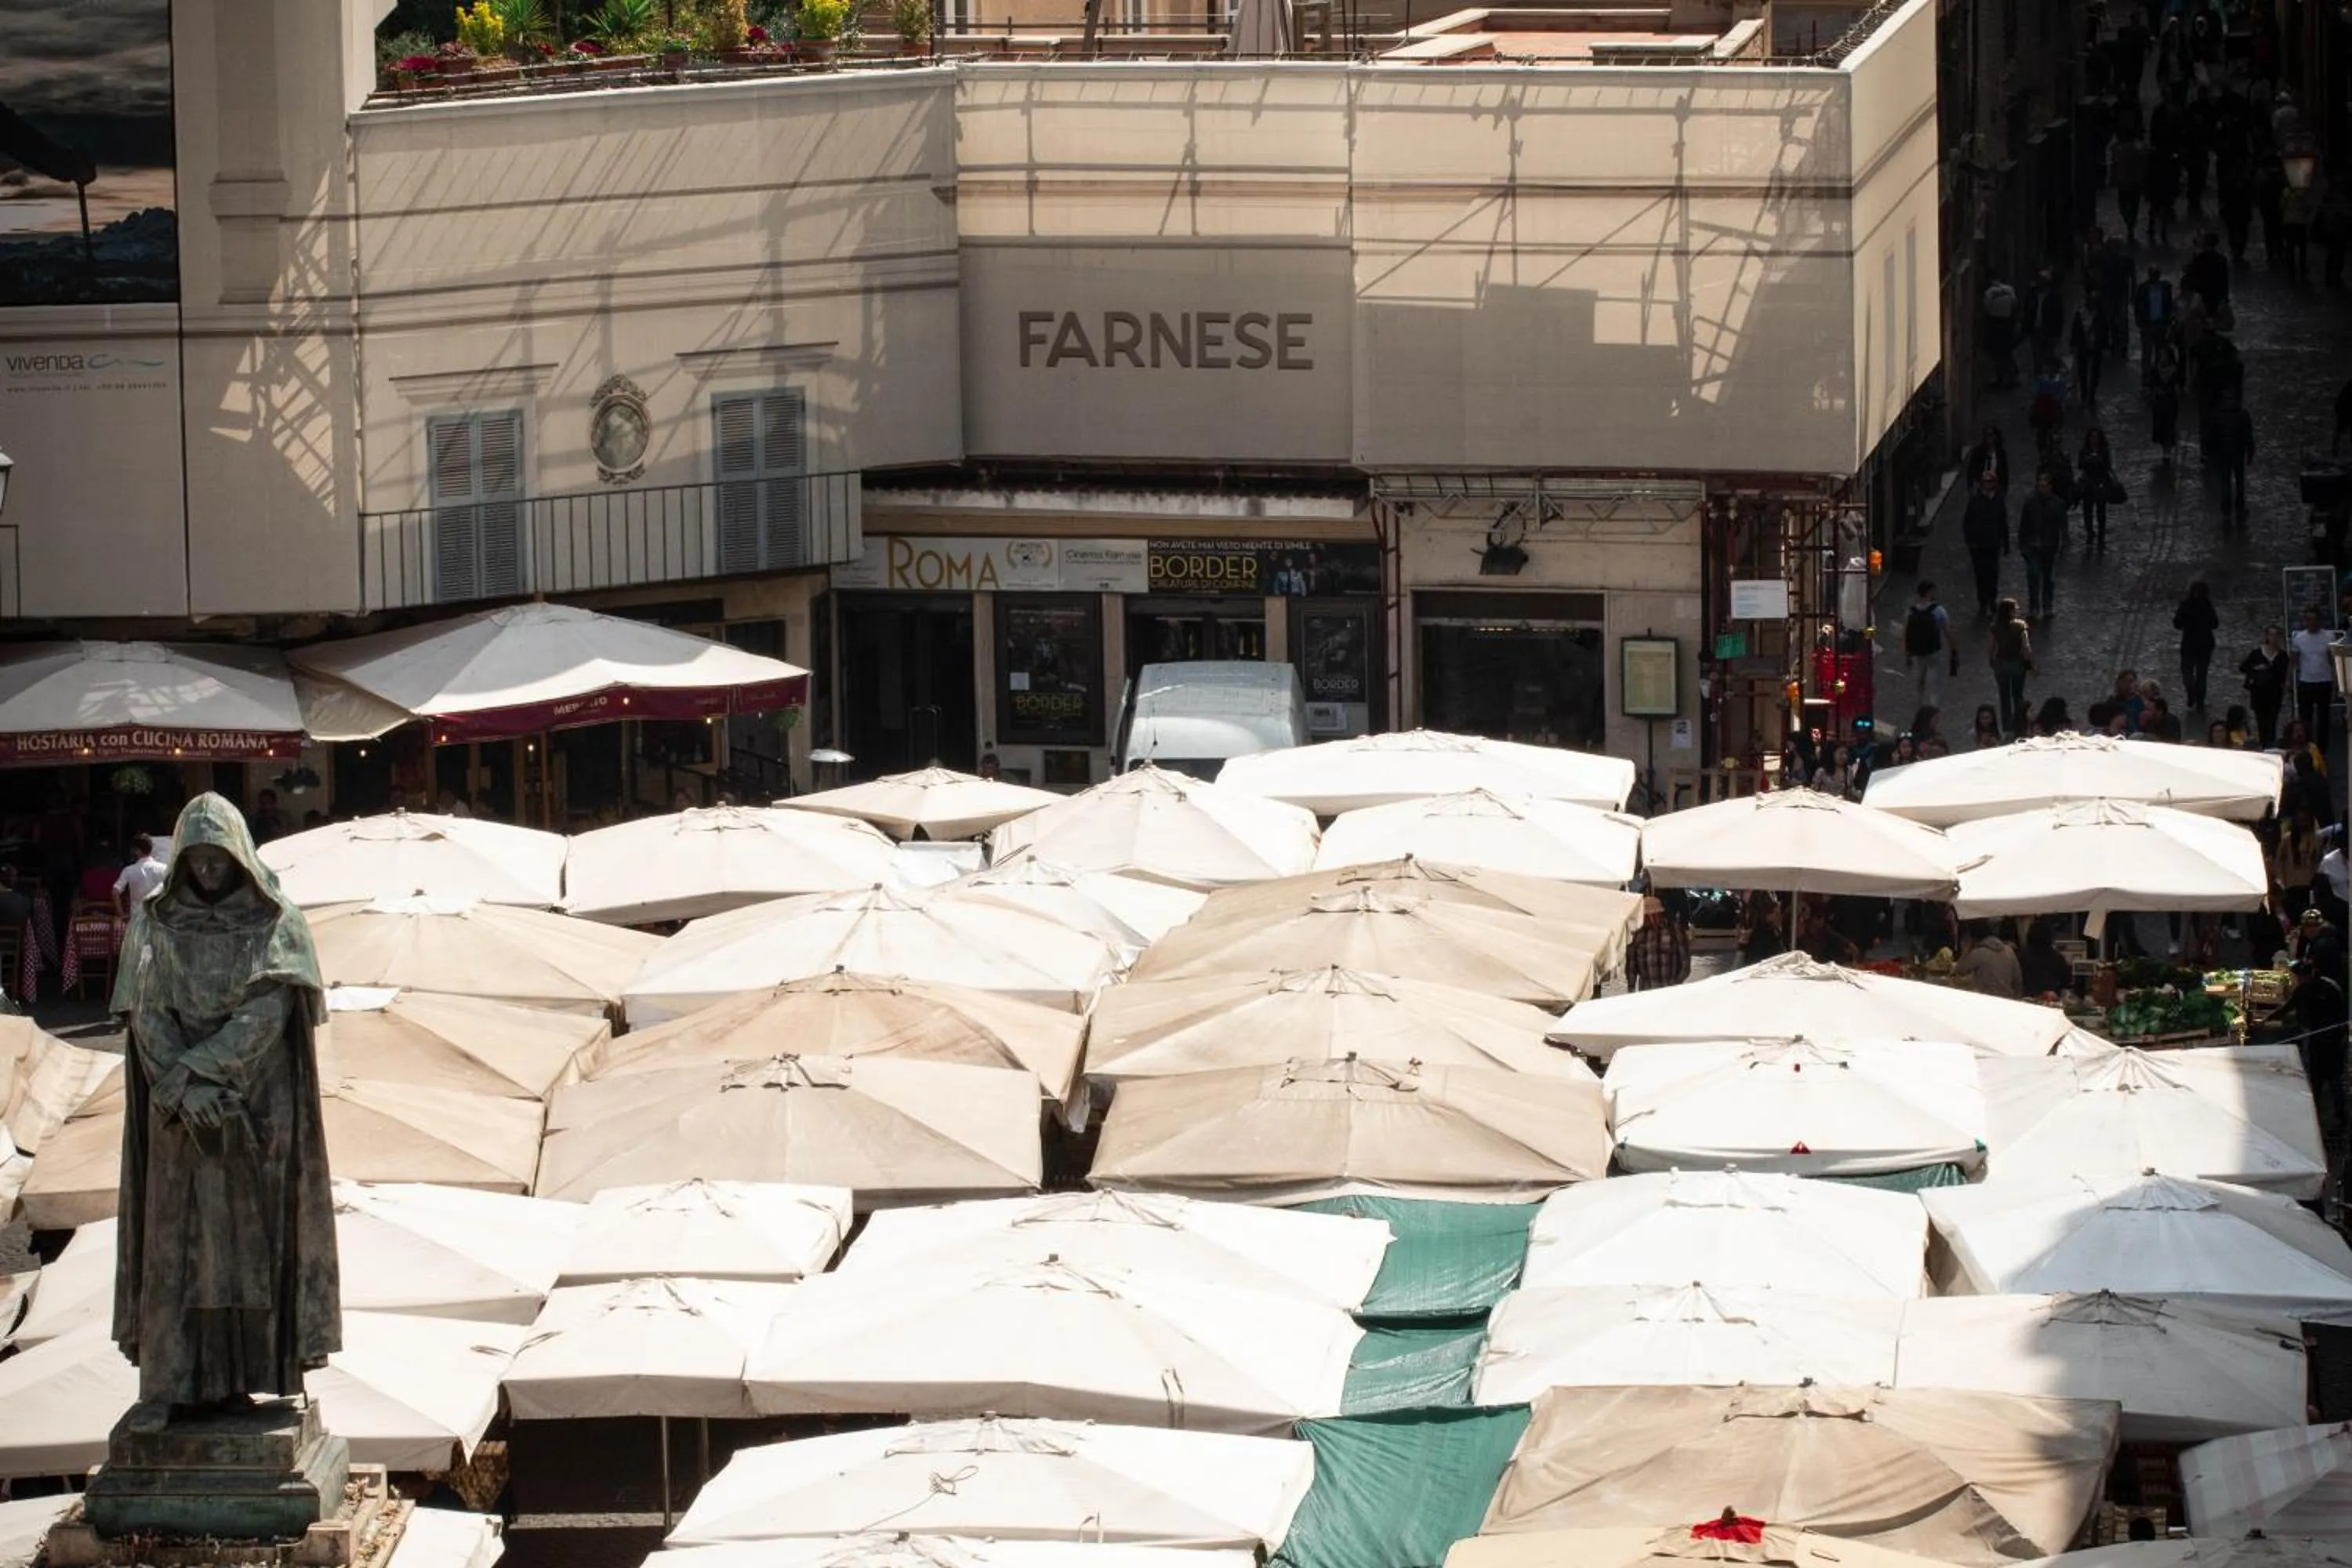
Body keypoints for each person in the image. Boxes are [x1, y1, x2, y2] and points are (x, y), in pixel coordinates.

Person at [109, 794, 339, 1416]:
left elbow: (270, 1010)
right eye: (199, 860)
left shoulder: (278, 921)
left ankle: (256, 1370)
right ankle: (176, 1382)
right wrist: (185, 1089)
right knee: (175, 1246)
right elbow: (144, 1013)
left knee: (254, 1247)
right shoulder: (152, 926)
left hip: (257, 1111)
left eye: (219, 859)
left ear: (240, 857)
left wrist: (195, 1073)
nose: (209, 871)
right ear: (180, 860)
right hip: (178, 1119)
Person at [2016, 473, 2069, 619]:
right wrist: (2023, 544)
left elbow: (2063, 526)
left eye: (2044, 486)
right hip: (2032, 546)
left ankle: (2047, 606)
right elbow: (2024, 525)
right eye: (2040, 486)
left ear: (2050, 487)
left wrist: (2064, 543)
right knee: (2033, 576)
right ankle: (2034, 607)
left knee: (2048, 579)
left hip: (2049, 547)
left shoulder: (2058, 504)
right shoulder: (2030, 502)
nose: (2042, 489)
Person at [1902, 581, 1957, 710]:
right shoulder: (1939, 611)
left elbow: (1905, 635)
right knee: (1934, 683)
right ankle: (1933, 708)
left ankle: (1918, 707)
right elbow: (1948, 632)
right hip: (1933, 651)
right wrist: (1954, 650)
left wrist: (1907, 654)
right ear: (1930, 592)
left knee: (1918, 682)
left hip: (1916, 652)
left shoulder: (1910, 612)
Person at [1962, 474, 2010, 618]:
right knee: (1980, 574)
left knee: (1993, 573)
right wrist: (1970, 540)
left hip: (1993, 543)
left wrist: (2005, 543)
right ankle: (1983, 601)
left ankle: (1992, 599)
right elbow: (1967, 522)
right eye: (1985, 482)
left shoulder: (1998, 501)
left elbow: (2003, 523)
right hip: (1978, 544)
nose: (1988, 485)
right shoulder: (1975, 502)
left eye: (1990, 482)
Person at [1988, 599, 2036, 738]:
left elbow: (1990, 647)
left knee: (2004, 696)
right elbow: (2026, 648)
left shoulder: (1995, 627)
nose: (2018, 610)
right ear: (2010, 611)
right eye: (2016, 608)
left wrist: (1991, 660)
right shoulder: (2021, 626)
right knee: (2018, 695)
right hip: (2017, 664)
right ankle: (2019, 724)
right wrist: (2032, 665)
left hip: (2001, 664)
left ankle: (2007, 727)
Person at [2292, 605, 2337, 752]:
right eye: (2308, 620)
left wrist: (2336, 683)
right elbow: (2294, 661)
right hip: (2306, 681)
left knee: (2324, 717)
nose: (2311, 623)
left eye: (2314, 619)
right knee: (2306, 718)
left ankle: (2322, 749)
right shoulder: (2299, 638)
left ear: (2319, 621)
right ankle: (2307, 748)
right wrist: (2289, 680)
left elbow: (2333, 661)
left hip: (2324, 680)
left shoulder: (2329, 637)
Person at [2206, 392, 2256, 523]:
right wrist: (2250, 453)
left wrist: (2211, 454)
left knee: (2225, 481)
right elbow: (2248, 436)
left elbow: (2211, 437)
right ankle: (2239, 505)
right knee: (2239, 479)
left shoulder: (2218, 416)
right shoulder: (2243, 415)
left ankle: (2226, 508)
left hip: (2222, 454)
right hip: (2238, 453)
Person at [1625, 896, 1691, 990]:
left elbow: (1685, 962)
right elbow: (1631, 965)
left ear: (1657, 914)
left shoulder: (1675, 930)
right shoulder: (1637, 935)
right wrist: (1631, 988)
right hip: (1646, 991)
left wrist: (1676, 984)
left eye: (1647, 916)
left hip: (1671, 989)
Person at [2242, 624, 2293, 746]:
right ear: (2267, 636)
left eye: (2276, 635)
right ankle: (2264, 744)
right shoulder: (2257, 653)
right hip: (2258, 693)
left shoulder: (2282, 656)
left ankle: (2269, 746)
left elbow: (2284, 673)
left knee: (2272, 722)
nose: (2273, 638)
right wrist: (2256, 668)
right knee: (2261, 722)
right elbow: (2244, 667)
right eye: (2271, 635)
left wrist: (2286, 684)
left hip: (2274, 694)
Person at [2174, 580, 2220, 708]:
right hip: (2205, 644)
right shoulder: (2207, 605)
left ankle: (2191, 692)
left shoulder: (2185, 605)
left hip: (2189, 643)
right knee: (2202, 674)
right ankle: (2200, 700)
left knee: (2187, 671)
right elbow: (2215, 624)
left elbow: (2177, 624)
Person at [1952, 921, 2024, 997]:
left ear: (1973, 938)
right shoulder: (2009, 951)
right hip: (2007, 999)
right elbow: (2018, 981)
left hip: (1987, 999)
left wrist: (1966, 950)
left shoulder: (1979, 953)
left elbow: (1959, 970)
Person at [2078, 426, 2118, 548]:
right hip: (2088, 483)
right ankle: (2090, 532)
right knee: (2087, 510)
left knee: (2101, 510)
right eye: (2092, 437)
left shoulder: (2104, 450)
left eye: (2096, 437)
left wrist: (2096, 461)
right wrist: (2090, 460)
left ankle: (2101, 535)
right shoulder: (2084, 450)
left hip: (2101, 483)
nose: (2094, 439)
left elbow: (2107, 465)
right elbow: (2080, 465)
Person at [112, 833, 168, 919]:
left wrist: (121, 914)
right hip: (158, 919)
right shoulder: (164, 869)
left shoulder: (129, 870)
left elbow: (115, 892)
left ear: (137, 851)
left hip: (137, 920)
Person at [2070, 294, 2111, 406]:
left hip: (2096, 347)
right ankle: (2085, 394)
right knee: (2083, 372)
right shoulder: (2081, 314)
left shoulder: (2100, 315)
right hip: (2083, 346)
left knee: (2095, 372)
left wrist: (2106, 347)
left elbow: (2104, 332)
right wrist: (2074, 344)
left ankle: (2091, 394)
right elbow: (2075, 330)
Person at [1982, 274, 2020, 387]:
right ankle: (2010, 376)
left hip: (1995, 324)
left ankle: (2002, 377)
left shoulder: (1989, 293)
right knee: (2006, 353)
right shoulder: (2009, 290)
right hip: (2007, 324)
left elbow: (1986, 308)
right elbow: (2015, 305)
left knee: (1997, 354)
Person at [2020, 920, 2074, 997]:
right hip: (2051, 998)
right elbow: (2066, 981)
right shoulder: (2057, 957)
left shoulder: (2022, 956)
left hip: (2028, 997)